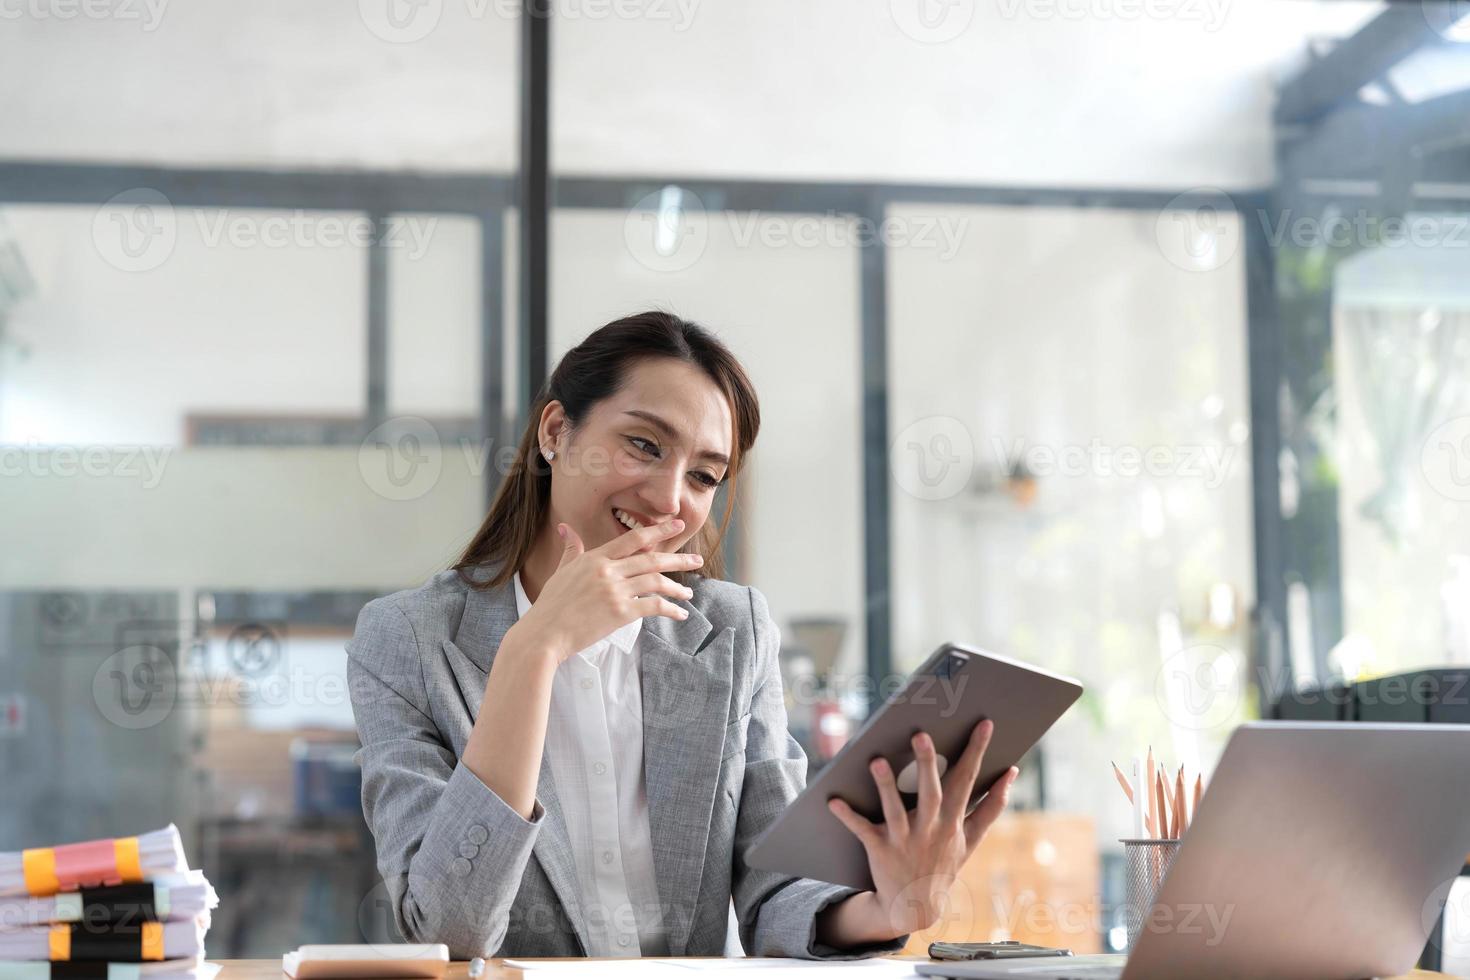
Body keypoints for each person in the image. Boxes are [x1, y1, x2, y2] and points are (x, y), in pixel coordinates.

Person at [346, 311, 1018, 960]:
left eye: (703, 475)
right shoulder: (408, 639)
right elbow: (449, 927)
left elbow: (775, 889)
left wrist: (886, 908)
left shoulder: (733, 630)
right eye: (644, 445)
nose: (670, 499)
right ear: (556, 431)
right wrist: (533, 650)